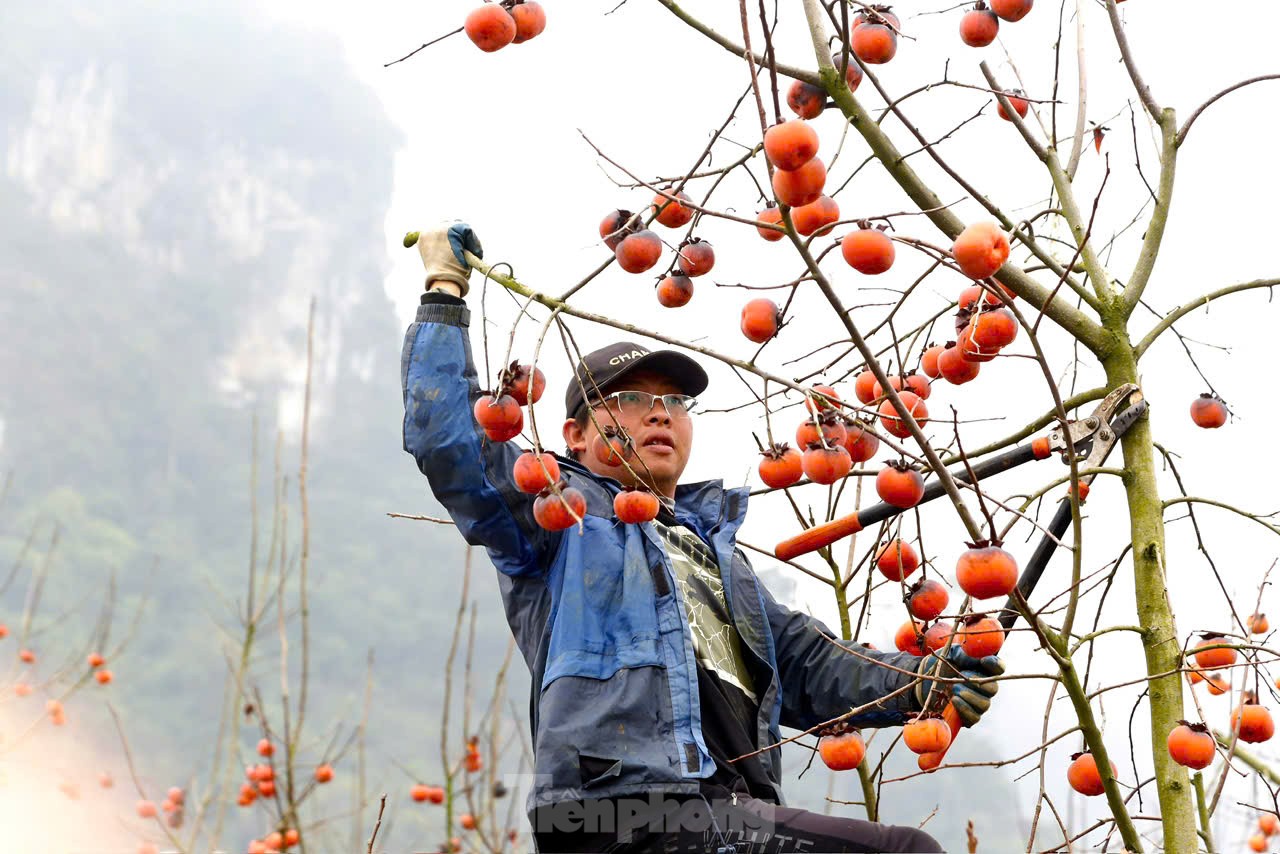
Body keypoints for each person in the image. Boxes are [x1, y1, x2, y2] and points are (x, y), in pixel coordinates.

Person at [400, 224, 1004, 853]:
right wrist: (445, 295)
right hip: (616, 811)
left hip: (727, 812)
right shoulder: (558, 516)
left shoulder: (715, 555)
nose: (659, 412)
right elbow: (453, 445)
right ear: (575, 436)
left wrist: (920, 681)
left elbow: (804, 663)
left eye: (676, 401)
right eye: (632, 398)